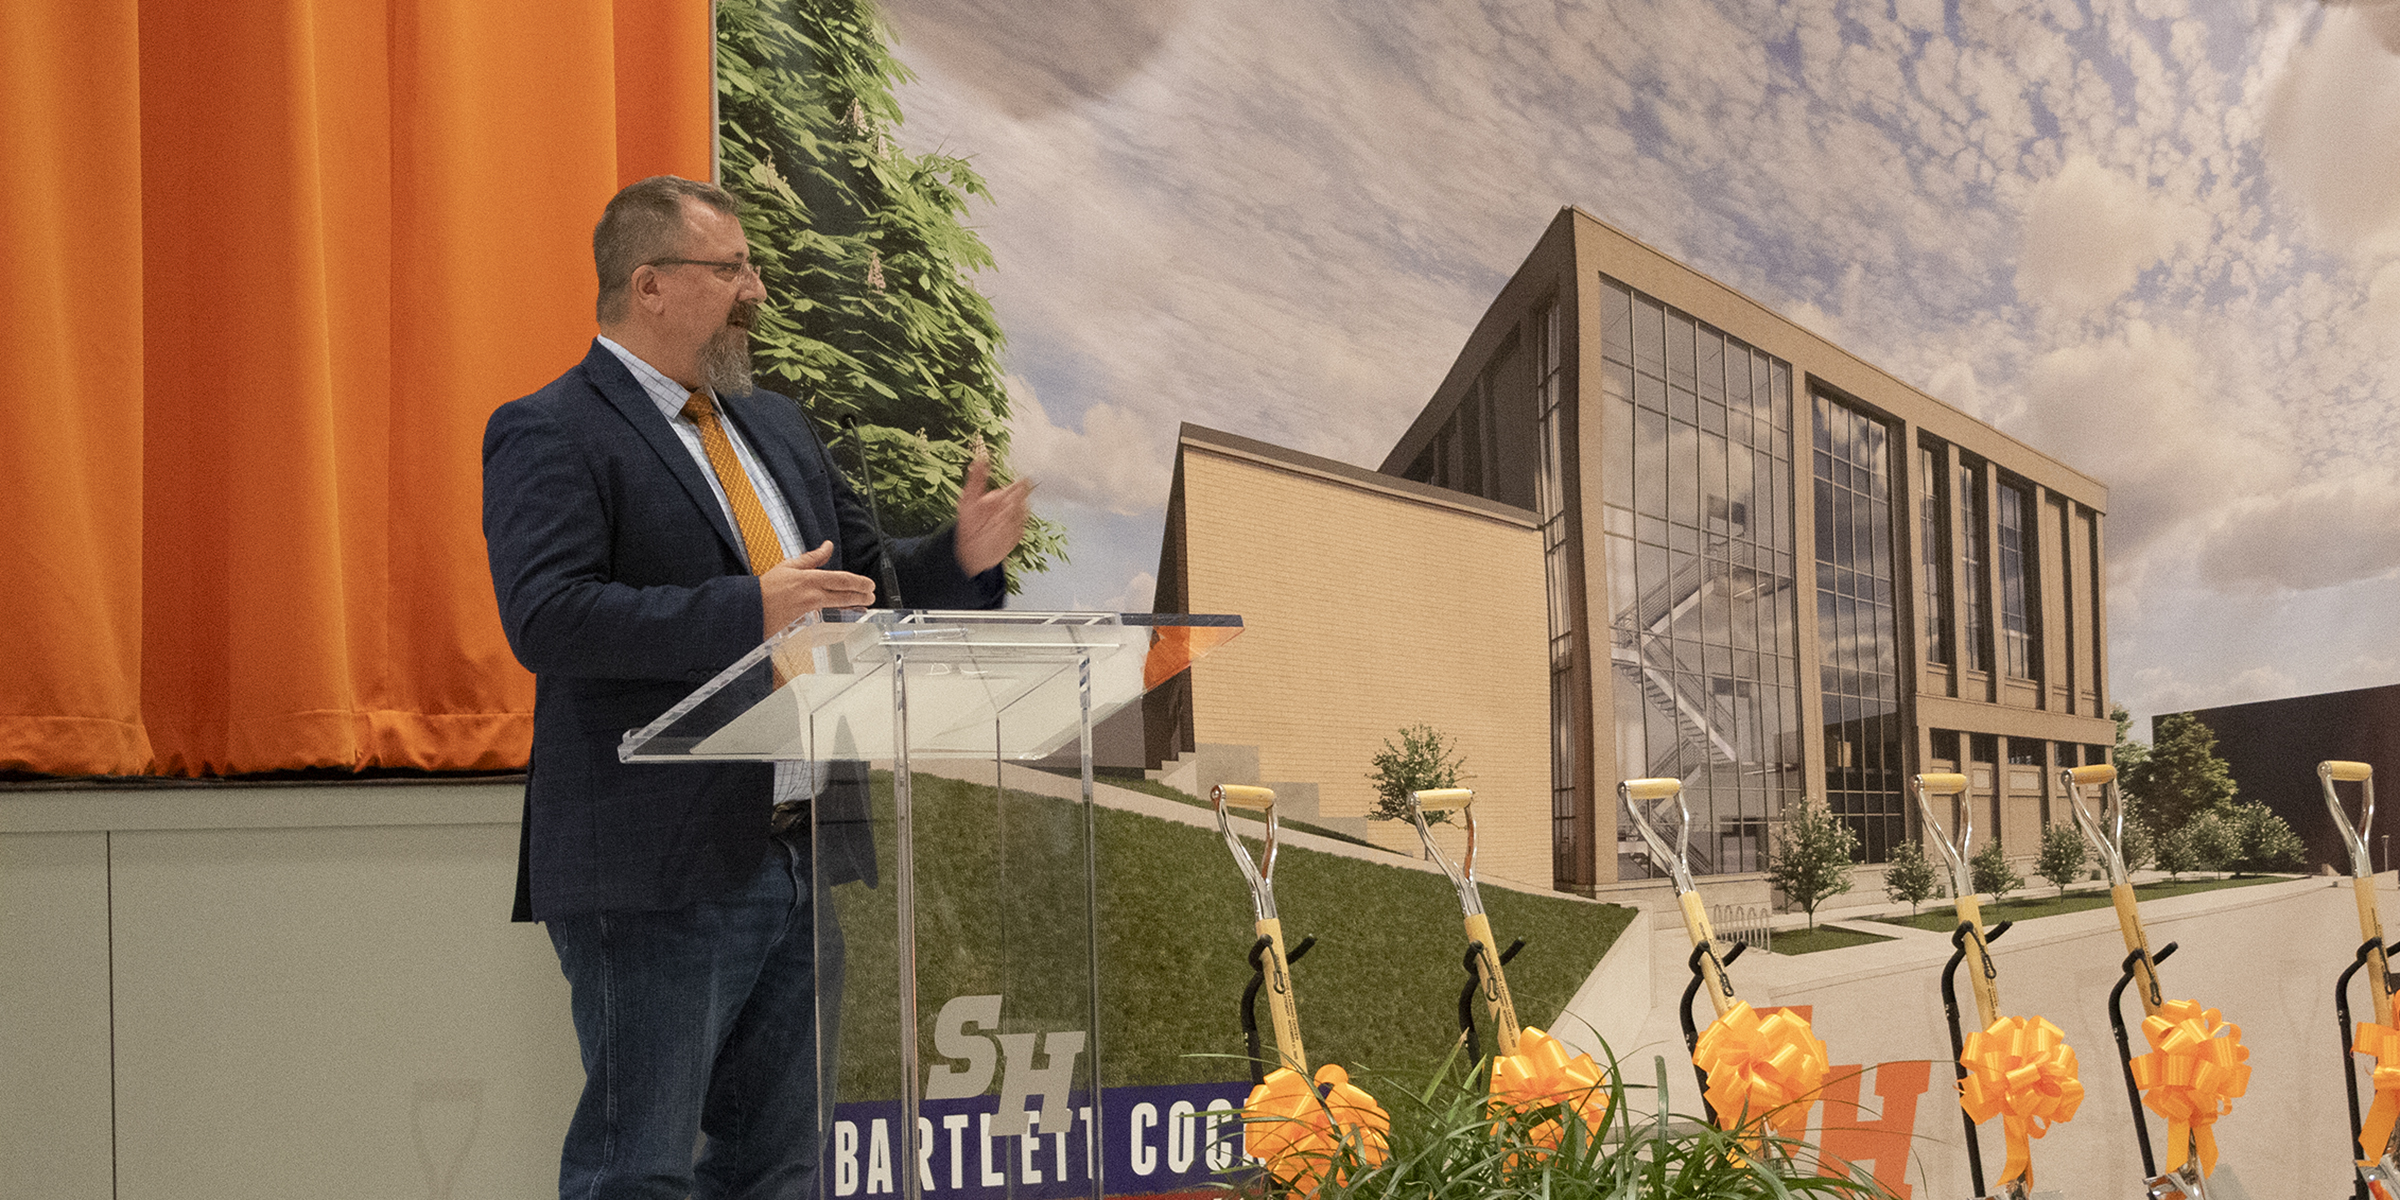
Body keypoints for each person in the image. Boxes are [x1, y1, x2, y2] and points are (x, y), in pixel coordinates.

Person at [482, 174, 1031, 1200]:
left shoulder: (774, 427)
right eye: (731, 267)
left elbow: (865, 582)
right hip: (654, 869)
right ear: (649, 285)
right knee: (636, 1170)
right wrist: (750, 609)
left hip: (797, 853)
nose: (758, 289)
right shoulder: (551, 429)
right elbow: (549, 617)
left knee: (777, 1168)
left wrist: (961, 554)